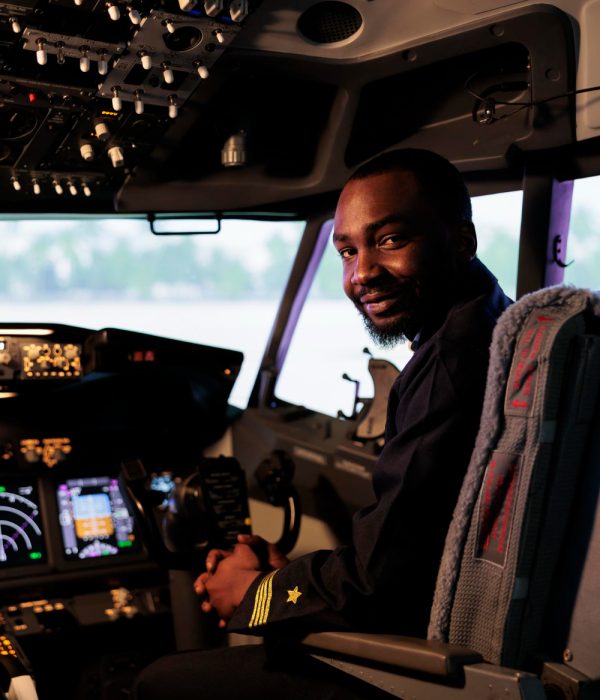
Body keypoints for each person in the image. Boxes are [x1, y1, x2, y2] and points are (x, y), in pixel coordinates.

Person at [133, 149, 512, 699]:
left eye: (389, 240)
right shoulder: (491, 326)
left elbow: (377, 583)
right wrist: (292, 579)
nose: (362, 275)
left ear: (462, 241)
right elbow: (401, 551)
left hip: (435, 662)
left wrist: (256, 593)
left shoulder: (450, 368)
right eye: (346, 251)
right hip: (454, 629)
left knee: (157, 683)